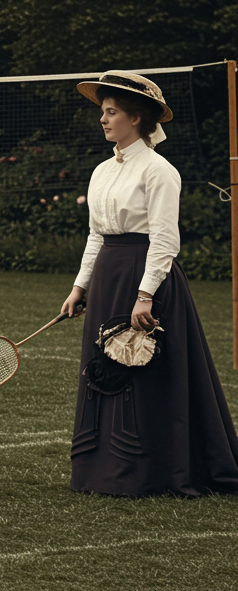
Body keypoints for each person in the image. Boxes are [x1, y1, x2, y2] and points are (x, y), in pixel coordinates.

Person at [60, 71, 238, 497]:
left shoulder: (159, 170)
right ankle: (99, 470)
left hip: (145, 279)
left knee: (144, 371)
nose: (103, 120)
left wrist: (146, 294)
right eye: (103, 112)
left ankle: (149, 472)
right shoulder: (102, 170)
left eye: (112, 112)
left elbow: (165, 238)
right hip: (107, 276)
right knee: (106, 369)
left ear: (136, 118)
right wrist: (80, 287)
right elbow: (96, 236)